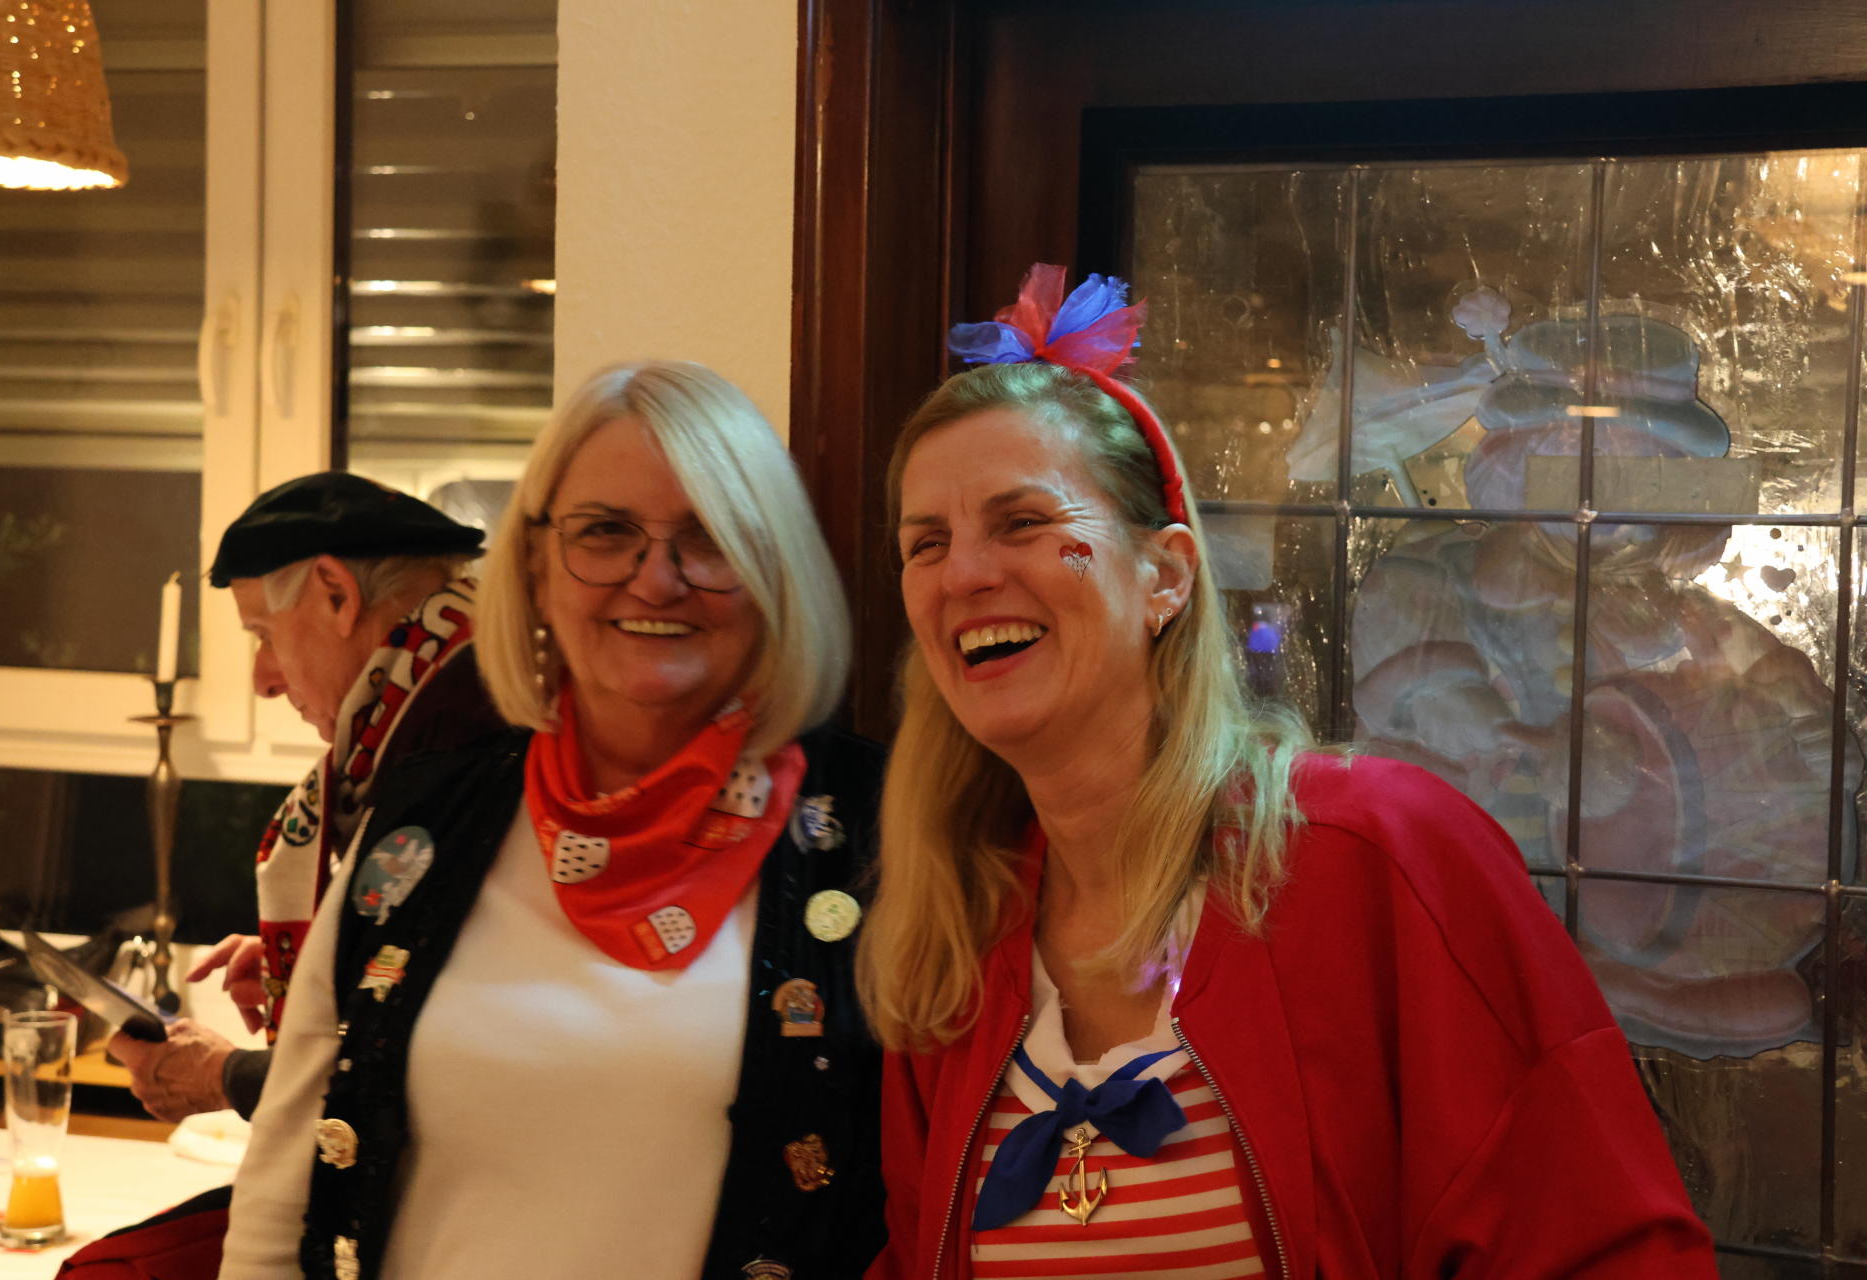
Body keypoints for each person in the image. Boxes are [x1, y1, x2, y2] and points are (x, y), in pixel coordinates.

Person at [858, 264, 1718, 1278]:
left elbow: (1607, 1244)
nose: (963, 574)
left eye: (1023, 521)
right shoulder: (951, 937)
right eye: (926, 543)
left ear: (1166, 575)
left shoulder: (1382, 855)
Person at [219, 361, 887, 1280]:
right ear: (534, 566)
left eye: (710, 536)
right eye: (605, 532)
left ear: (776, 567)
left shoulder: (880, 839)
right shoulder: (423, 825)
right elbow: (279, 1200)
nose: (656, 579)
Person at [107, 473, 498, 1125]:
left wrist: (227, 1075)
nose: (262, 681)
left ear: (336, 594)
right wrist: (327, 958)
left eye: (264, 634)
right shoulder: (443, 703)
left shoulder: (454, 746)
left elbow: (413, 1067)